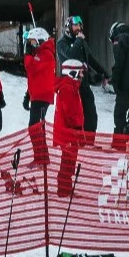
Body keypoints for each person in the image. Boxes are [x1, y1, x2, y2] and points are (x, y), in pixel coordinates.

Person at [51, 58, 92, 196]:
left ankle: (66, 187)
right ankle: (63, 189)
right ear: (72, 72)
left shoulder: (72, 87)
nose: (82, 76)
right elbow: (70, 112)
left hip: (71, 132)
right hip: (68, 132)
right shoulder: (67, 88)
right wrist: (76, 128)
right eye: (80, 73)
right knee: (67, 161)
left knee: (70, 160)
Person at [108, 21, 129, 133]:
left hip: (125, 85)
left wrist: (115, 82)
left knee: (120, 113)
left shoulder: (120, 38)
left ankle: (119, 142)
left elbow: (119, 62)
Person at [21, 25, 57, 127]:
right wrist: (28, 95)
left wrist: (28, 54)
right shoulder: (39, 53)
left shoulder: (46, 54)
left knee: (35, 126)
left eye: (32, 41)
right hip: (37, 94)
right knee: (36, 125)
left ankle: (40, 143)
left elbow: (30, 67)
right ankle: (40, 143)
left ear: (40, 41)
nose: (30, 44)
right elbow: (34, 77)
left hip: (42, 95)